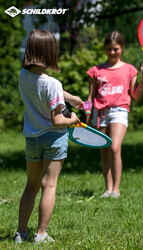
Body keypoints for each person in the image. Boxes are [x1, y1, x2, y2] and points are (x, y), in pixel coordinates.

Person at [15, 29, 83, 243]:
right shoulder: (53, 84)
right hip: (53, 139)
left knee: (31, 185)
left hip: (32, 138)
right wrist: (72, 119)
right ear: (49, 53)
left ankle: (21, 232)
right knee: (49, 185)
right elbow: (57, 120)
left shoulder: (24, 75)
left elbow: (42, 88)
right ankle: (42, 234)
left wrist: (70, 97)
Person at [85, 31, 143, 198]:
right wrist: (86, 113)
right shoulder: (96, 71)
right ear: (105, 49)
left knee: (115, 147)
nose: (112, 52)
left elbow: (136, 95)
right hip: (100, 113)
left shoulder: (129, 70)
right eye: (109, 49)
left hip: (119, 111)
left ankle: (116, 189)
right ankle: (108, 189)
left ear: (122, 48)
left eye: (116, 49)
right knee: (104, 150)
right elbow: (90, 98)